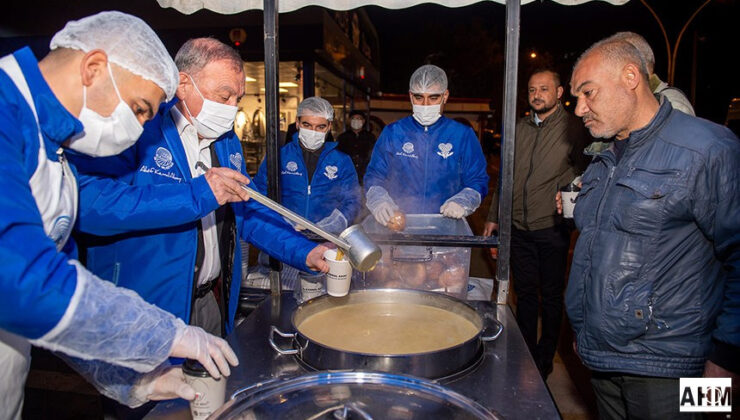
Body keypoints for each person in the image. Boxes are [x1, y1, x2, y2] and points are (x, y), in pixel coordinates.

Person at [0, 12, 239, 418]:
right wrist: (165, 335)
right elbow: (22, 281)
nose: (138, 128)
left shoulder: (53, 148)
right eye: (139, 108)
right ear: (94, 68)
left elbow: (69, 297)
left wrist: (135, 380)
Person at [72, 38, 330, 342]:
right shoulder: (138, 127)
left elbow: (246, 210)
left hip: (210, 300)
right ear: (183, 84)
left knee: (209, 387)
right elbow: (89, 204)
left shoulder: (226, 140)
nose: (232, 108)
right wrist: (199, 194)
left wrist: (305, 251)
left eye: (238, 98)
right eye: (224, 96)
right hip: (144, 306)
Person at [564, 37, 739, 419]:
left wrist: (726, 365)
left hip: (681, 370)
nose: (579, 109)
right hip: (604, 361)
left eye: (587, 93)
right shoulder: (603, 160)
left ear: (630, 76)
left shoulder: (709, 148)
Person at [483, 68, 591, 378]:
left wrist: (572, 205)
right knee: (526, 294)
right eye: (532, 90)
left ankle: (546, 357)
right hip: (518, 227)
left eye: (544, 89)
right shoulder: (519, 128)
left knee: (553, 296)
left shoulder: (576, 128)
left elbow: (587, 173)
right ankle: (527, 353)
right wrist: (494, 217)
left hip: (552, 227)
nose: (537, 95)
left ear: (559, 93)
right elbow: (507, 176)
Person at [253, 97, 361, 287]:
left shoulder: (341, 161)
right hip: (284, 244)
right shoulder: (278, 157)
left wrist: (335, 223)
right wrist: (280, 221)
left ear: (328, 127)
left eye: (320, 127)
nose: (313, 132)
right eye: (307, 125)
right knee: (283, 307)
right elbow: (259, 196)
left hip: (324, 246)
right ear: (297, 124)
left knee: (321, 306)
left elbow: (352, 201)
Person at [364, 64, 488, 224]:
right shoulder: (394, 132)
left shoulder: (462, 135)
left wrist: (463, 200)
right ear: (410, 96)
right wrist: (379, 199)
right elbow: (375, 175)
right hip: (399, 225)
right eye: (419, 97)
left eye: (433, 97)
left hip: (445, 225)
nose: (425, 105)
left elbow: (477, 179)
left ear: (445, 96)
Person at [336, 110, 376, 183]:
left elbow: (374, 156)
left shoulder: (370, 137)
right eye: (353, 118)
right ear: (349, 120)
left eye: (359, 119)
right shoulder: (342, 138)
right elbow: (337, 156)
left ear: (363, 121)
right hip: (347, 174)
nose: (356, 121)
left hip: (365, 175)